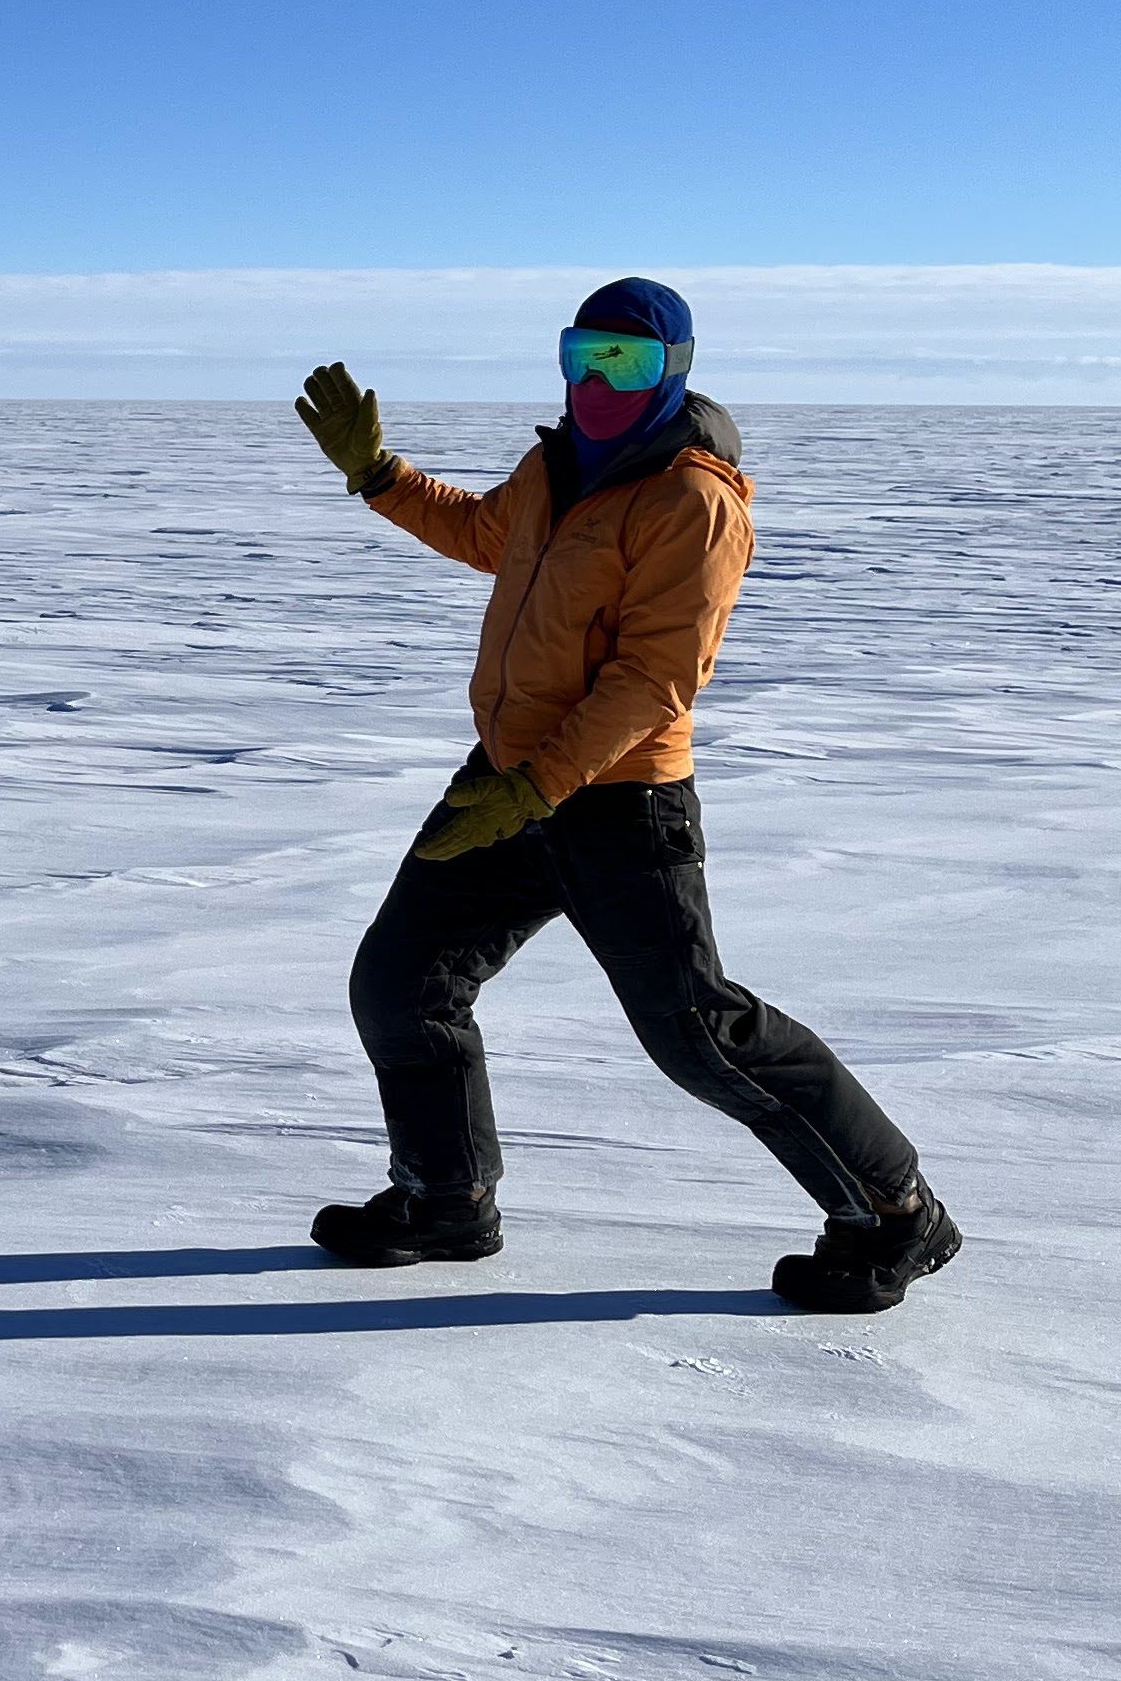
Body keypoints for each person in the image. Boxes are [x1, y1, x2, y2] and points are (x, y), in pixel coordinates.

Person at [290, 280, 958, 1314]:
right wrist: (380, 476)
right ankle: (446, 1199)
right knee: (400, 981)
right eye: (585, 354)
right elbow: (486, 536)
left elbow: (656, 680)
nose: (601, 381)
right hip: (505, 787)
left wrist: (538, 786)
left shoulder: (695, 499)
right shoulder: (553, 466)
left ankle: (899, 1213)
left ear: (675, 370)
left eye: (629, 363)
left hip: (618, 803)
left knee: (699, 1033)